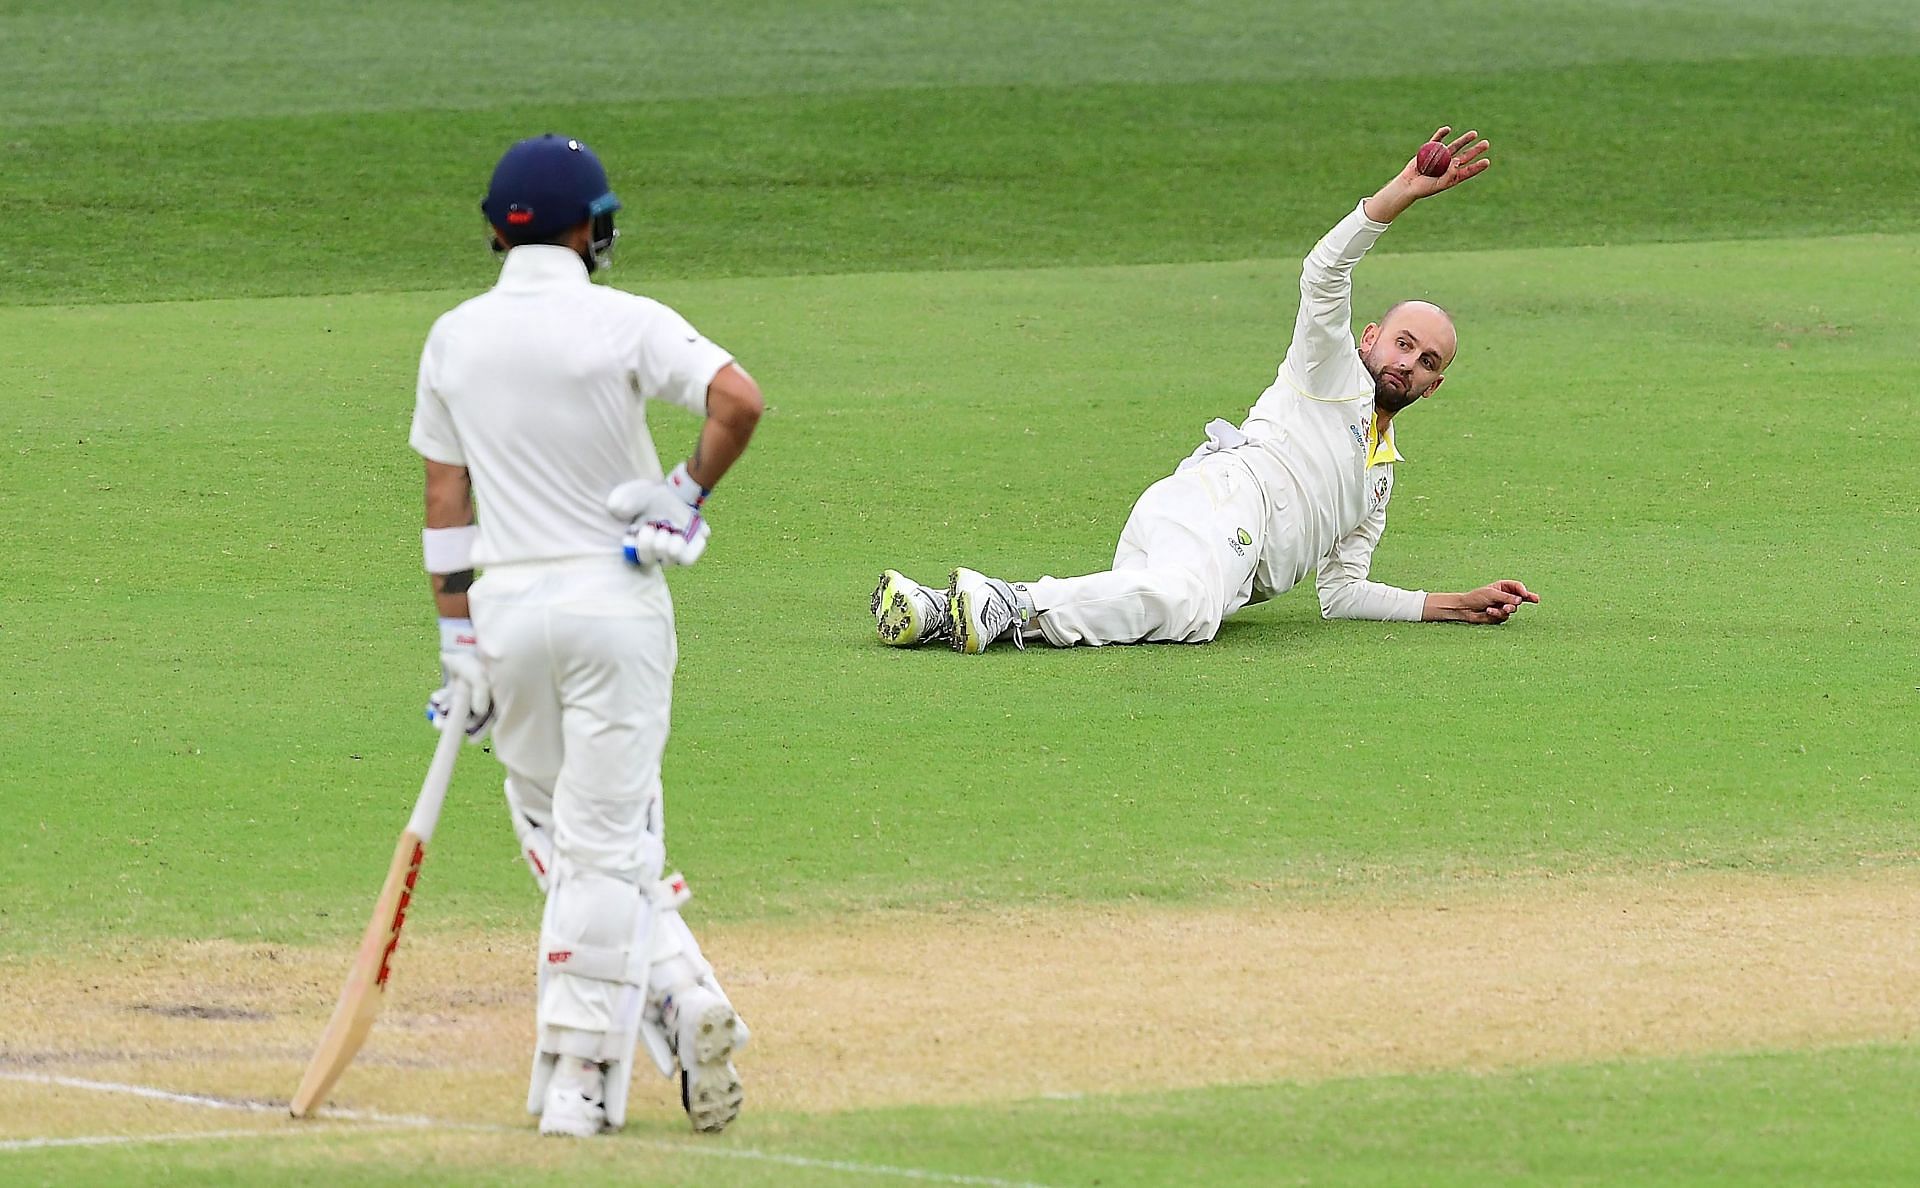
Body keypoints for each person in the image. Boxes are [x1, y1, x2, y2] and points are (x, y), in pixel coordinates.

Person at [408, 134, 765, 1138]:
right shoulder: (625, 320)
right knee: (603, 846)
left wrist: (457, 640)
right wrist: (684, 492)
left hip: (509, 613)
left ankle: (678, 998)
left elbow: (446, 494)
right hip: (616, 607)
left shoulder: (453, 337)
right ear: (587, 228)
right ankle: (579, 1081)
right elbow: (739, 400)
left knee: (561, 840)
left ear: (496, 229)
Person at [871, 126, 1537, 653]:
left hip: (1213, 554)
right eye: (1401, 342)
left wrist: (1455, 605)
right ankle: (1003, 602)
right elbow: (1324, 273)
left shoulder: (1381, 477)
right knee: (1191, 610)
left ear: (1435, 384)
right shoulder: (1329, 370)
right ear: (1369, 338)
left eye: (1426, 360)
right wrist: (1401, 193)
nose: (1408, 363)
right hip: (1225, 499)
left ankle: (935, 610)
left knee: (1180, 609)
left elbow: (1342, 594)